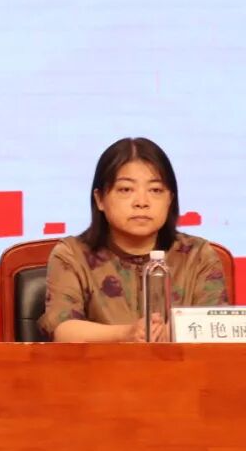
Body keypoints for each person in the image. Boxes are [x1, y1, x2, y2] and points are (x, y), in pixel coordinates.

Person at [40, 137, 228, 343]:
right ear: (100, 199)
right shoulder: (72, 255)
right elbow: (63, 330)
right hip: (102, 364)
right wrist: (127, 334)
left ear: (170, 199)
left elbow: (218, 328)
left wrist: (173, 333)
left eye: (155, 190)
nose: (142, 202)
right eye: (126, 189)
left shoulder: (197, 255)